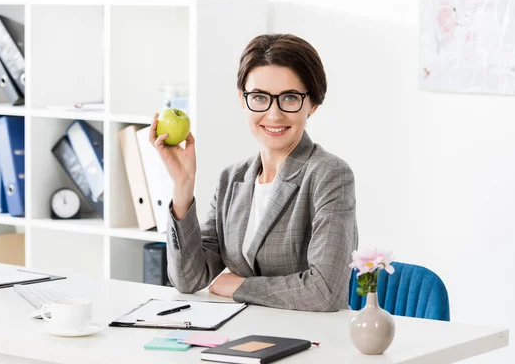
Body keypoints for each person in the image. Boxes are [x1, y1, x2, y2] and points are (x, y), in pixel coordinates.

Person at [149, 33, 358, 312]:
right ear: (242, 99)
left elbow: (325, 291)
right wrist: (183, 185)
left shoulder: (329, 175)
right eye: (260, 97)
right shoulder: (232, 179)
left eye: (290, 98)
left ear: (313, 104)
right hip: (239, 332)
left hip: (309, 341)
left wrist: (239, 287)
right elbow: (189, 279)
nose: (273, 114)